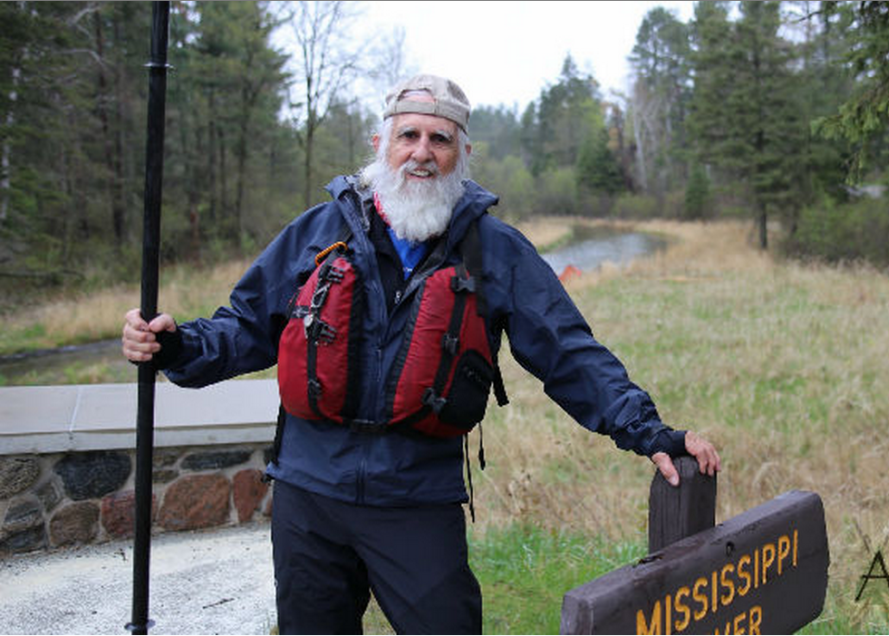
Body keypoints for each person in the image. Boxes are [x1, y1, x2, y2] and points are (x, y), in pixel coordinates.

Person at [121, 74, 720, 635]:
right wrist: (175, 345)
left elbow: (569, 354)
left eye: (440, 139)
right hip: (309, 496)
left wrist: (651, 433)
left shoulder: (495, 252)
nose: (422, 152)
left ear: (462, 154)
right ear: (381, 143)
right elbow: (245, 327)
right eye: (409, 135)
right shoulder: (317, 231)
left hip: (416, 498)